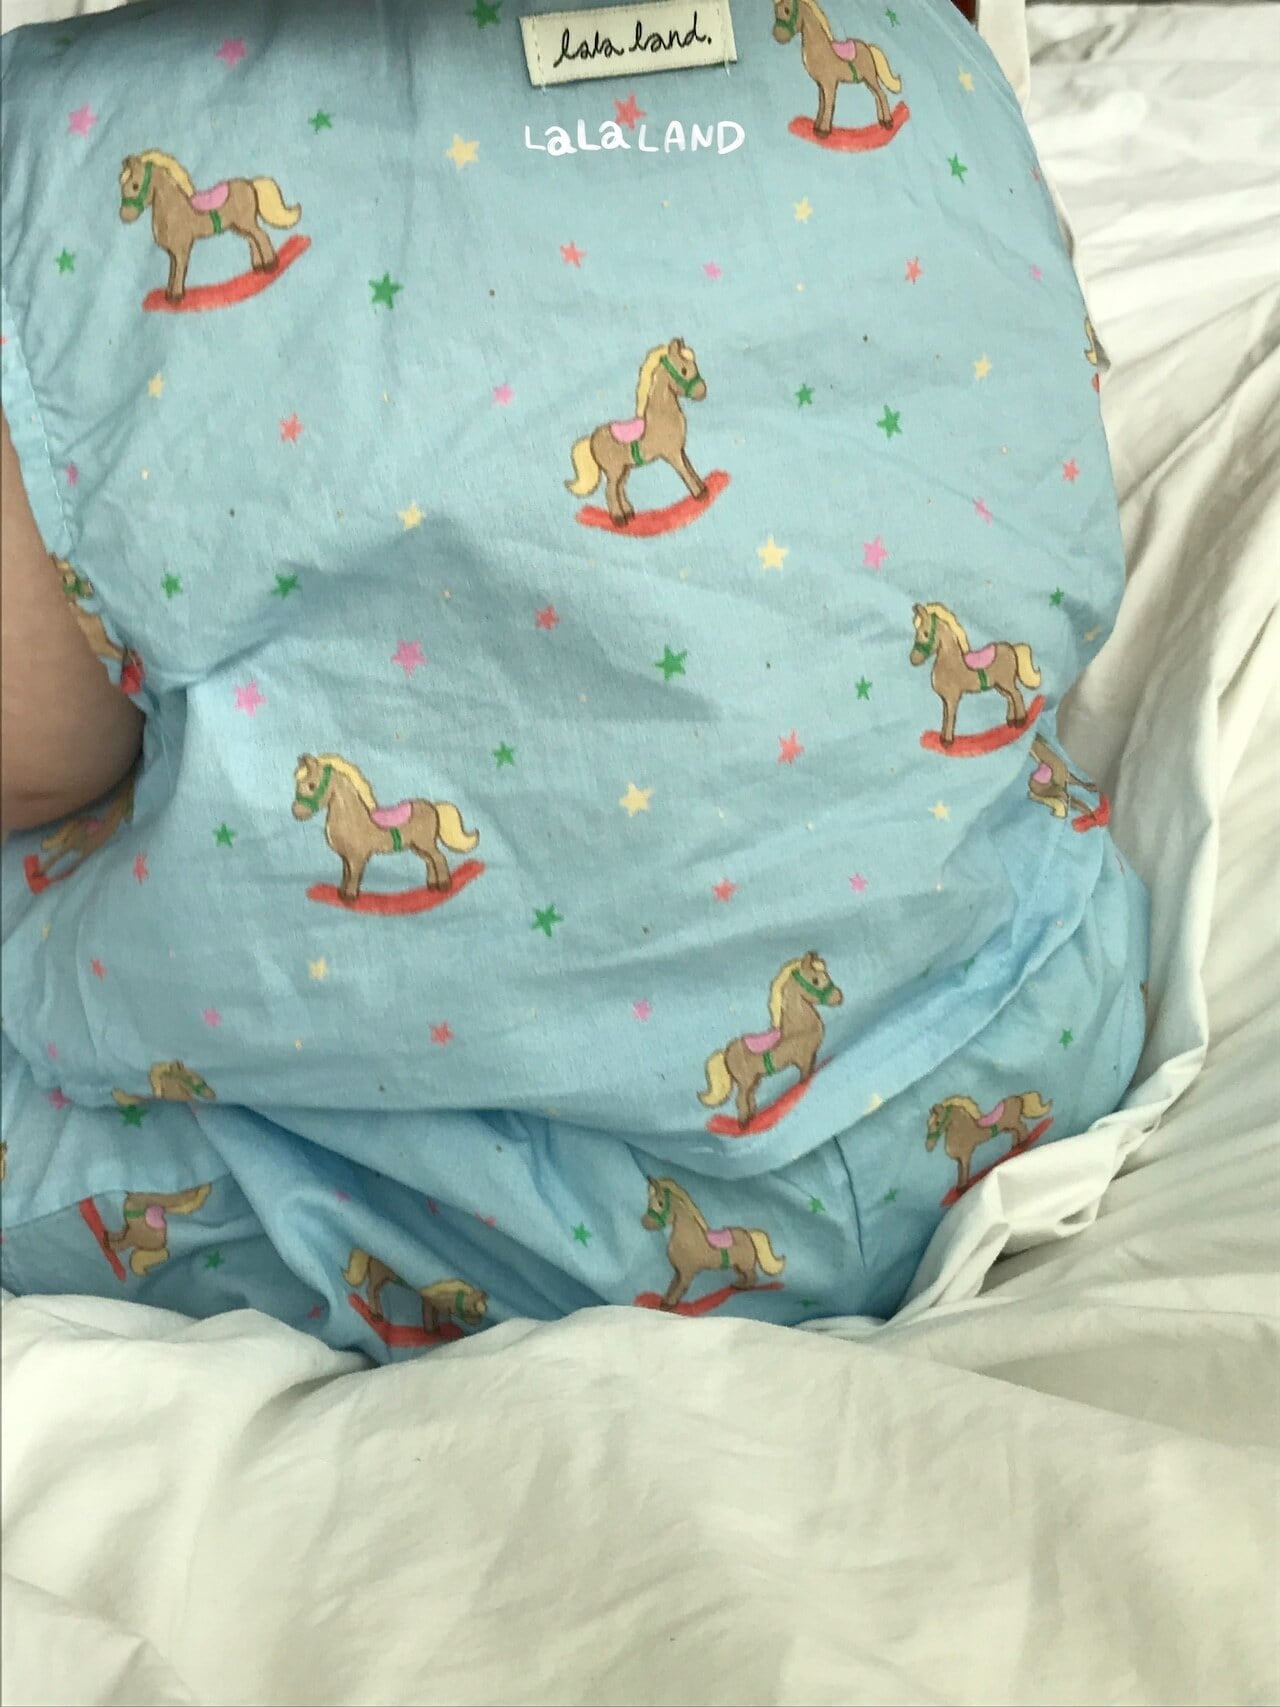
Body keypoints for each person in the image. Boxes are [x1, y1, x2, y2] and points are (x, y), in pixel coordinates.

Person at [0, 0, 1147, 1355]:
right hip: (1001, 1052)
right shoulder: (930, 56)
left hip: (480, 1203)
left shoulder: (63, 163)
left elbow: (36, 752)